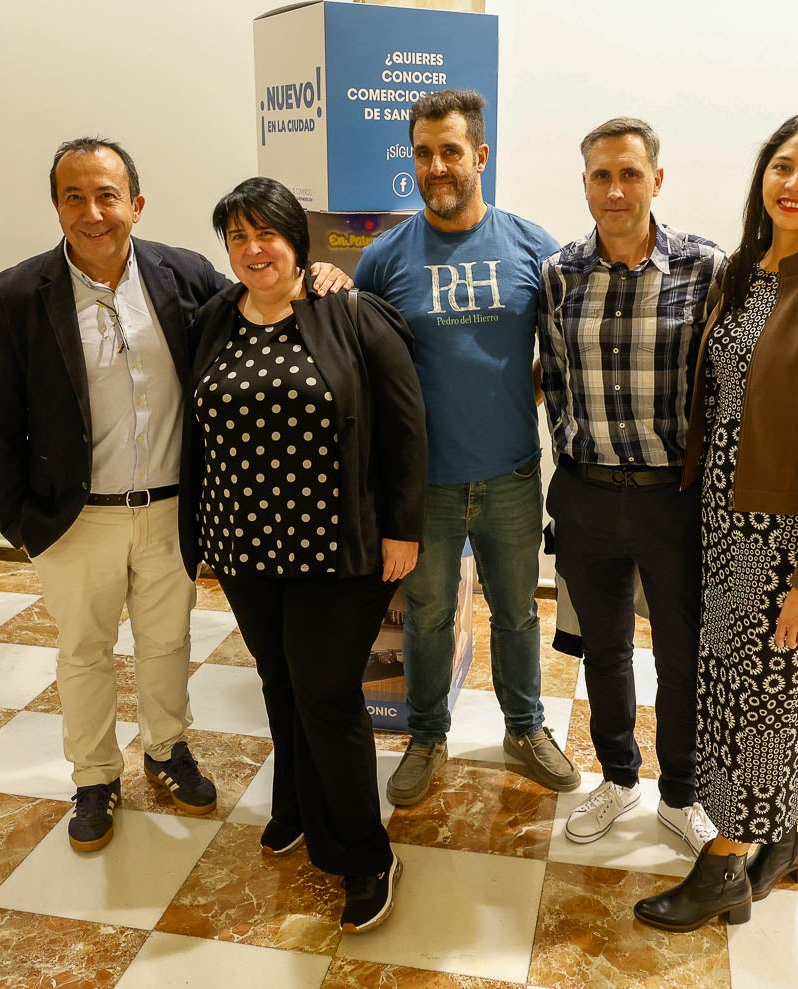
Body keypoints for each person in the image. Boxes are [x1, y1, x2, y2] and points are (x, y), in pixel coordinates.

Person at [0, 137, 346, 853]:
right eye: (75, 196)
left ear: (136, 205)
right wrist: (18, 520)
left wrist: (318, 273)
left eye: (107, 195)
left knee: (166, 640)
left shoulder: (184, 275)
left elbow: (262, 300)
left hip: (174, 508)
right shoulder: (18, 294)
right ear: (56, 206)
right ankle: (93, 776)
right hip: (74, 517)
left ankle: (167, 750)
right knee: (84, 649)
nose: (93, 212)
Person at [634, 110, 798, 930]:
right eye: (783, 165)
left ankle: (723, 866)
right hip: (719, 521)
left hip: (784, 537)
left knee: (762, 699)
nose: (794, 185)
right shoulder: (744, 274)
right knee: (738, 692)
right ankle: (784, 832)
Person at [178, 177, 426, 934]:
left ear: (298, 240)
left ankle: (363, 853)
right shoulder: (215, 317)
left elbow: (405, 423)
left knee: (325, 694)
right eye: (238, 238)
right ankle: (295, 806)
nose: (254, 250)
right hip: (246, 543)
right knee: (279, 681)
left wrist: (402, 527)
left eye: (268, 235)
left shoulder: (347, 311)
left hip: (336, 547)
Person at [355, 89, 580, 804]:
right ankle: (426, 735)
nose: (436, 165)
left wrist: (534, 382)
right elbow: (361, 366)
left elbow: (567, 345)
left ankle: (524, 726)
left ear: (479, 155)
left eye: (450, 151)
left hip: (511, 475)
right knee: (428, 617)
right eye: (423, 153)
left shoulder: (532, 246)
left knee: (516, 612)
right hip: (426, 487)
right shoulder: (384, 257)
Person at [539, 118, 727, 856]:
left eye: (628, 174)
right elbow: (553, 376)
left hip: (670, 499)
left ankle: (680, 793)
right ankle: (618, 777)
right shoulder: (559, 273)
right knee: (603, 649)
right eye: (599, 176)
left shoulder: (705, 267)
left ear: (656, 179)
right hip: (586, 494)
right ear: (584, 181)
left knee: (681, 653)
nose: (614, 191)